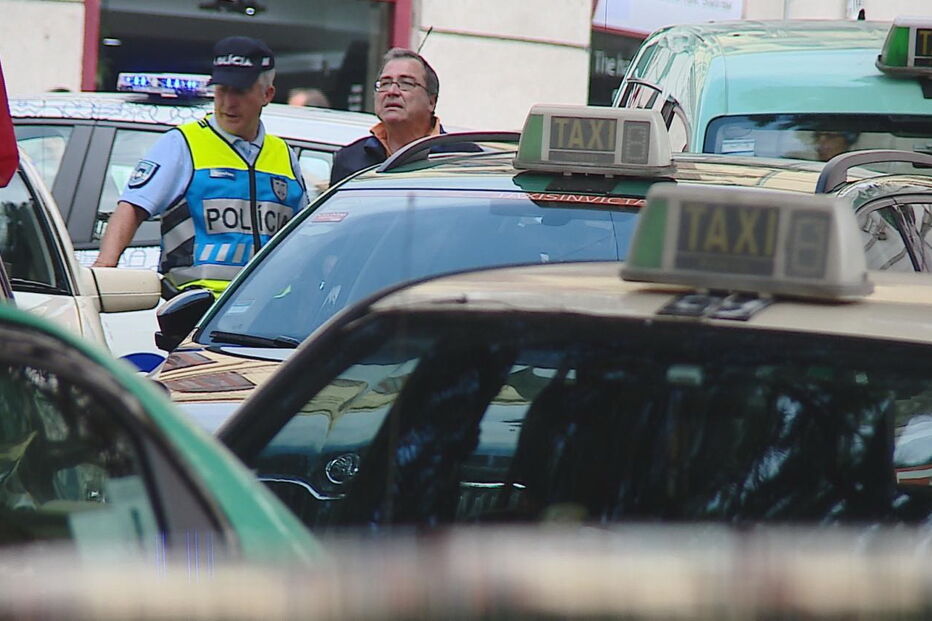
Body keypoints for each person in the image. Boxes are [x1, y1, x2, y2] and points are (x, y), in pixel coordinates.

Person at [93, 36, 308, 298]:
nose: (228, 102)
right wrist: (104, 269)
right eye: (221, 90)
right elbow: (132, 207)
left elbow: (305, 236)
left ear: (267, 94)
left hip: (265, 315)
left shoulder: (284, 155)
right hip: (195, 310)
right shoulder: (183, 144)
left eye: (240, 91)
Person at [329, 48, 480, 185]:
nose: (392, 91)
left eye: (406, 83)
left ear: (431, 101)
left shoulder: (463, 158)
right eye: (385, 83)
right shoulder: (350, 159)